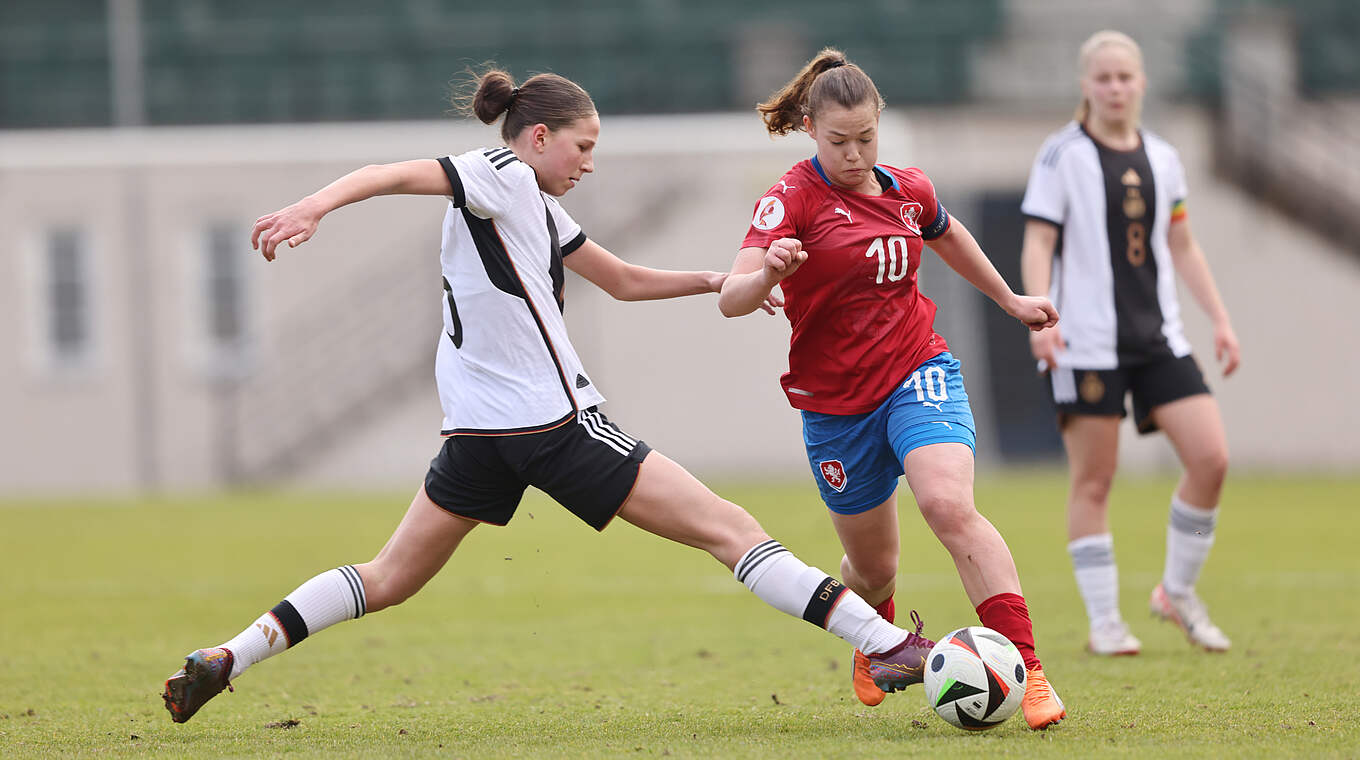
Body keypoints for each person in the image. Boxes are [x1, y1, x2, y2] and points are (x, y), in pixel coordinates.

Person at [160, 67, 940, 724]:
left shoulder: (534, 204)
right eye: (583, 146)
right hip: (554, 423)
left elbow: (624, 281)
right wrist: (312, 207)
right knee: (730, 529)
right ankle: (887, 645)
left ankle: (234, 653)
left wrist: (720, 279)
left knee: (387, 577)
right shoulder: (497, 176)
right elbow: (394, 173)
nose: (589, 162)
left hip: (476, 436)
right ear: (538, 138)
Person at [718, 49, 1066, 730]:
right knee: (872, 568)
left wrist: (1009, 299)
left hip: (918, 371)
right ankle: (877, 641)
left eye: (866, 138)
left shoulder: (908, 189)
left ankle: (1028, 671)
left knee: (947, 503)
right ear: (811, 131)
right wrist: (768, 276)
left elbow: (946, 232)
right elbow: (732, 296)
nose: (854, 154)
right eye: (839, 141)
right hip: (834, 407)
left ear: (880, 127)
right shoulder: (790, 198)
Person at [1019, 30, 1240, 656]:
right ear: (1086, 86)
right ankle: (1105, 623)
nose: (1115, 87)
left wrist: (1219, 318)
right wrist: (1042, 319)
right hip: (1085, 343)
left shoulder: (1165, 158)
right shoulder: (1062, 155)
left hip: (1158, 339)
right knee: (1095, 480)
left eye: (1125, 77)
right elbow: (1038, 241)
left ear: (1141, 82)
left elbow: (1182, 244)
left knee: (1211, 459)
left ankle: (1176, 591)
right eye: (1103, 78)